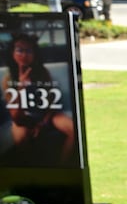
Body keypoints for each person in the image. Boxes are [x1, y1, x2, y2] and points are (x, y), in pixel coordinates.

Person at [1, 33, 76, 166]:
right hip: (23, 118)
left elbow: (51, 103)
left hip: (47, 115)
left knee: (73, 130)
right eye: (19, 50)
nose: (24, 55)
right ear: (12, 53)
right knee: (21, 138)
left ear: (34, 54)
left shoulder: (42, 72)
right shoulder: (8, 79)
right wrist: (21, 87)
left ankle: (61, 168)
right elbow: (16, 116)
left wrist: (43, 122)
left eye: (29, 51)